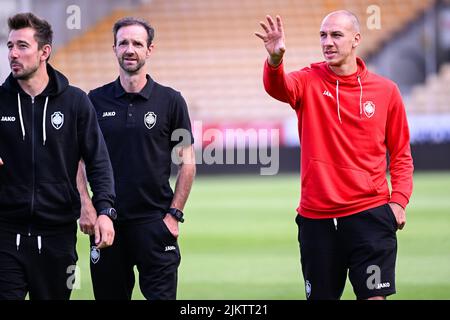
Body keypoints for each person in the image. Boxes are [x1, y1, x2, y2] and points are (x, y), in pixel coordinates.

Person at [255, 11, 414, 300]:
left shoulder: (386, 91)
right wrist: (275, 60)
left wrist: (399, 201)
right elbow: (277, 87)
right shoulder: (308, 80)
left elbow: (401, 154)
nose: (327, 42)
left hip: (370, 217)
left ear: (356, 40)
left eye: (336, 35)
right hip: (317, 221)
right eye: (323, 35)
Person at [77, 17, 195, 300]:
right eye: (124, 43)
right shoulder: (94, 100)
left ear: (149, 50)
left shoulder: (171, 101)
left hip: (155, 225)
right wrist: (87, 206)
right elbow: (78, 161)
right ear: (114, 48)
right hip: (107, 223)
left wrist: (174, 215)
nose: (130, 49)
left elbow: (187, 162)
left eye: (137, 44)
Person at [0, 12, 116, 300]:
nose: (13, 53)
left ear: (44, 52)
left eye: (22, 46)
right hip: (4, 234)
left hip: (58, 239)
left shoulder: (76, 101)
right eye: (10, 46)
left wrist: (105, 211)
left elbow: (98, 160)